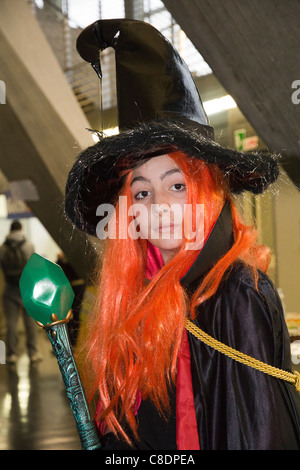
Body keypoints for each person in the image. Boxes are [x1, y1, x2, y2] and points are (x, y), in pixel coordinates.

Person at [64, 19, 300, 449]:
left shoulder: (236, 294)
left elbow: (259, 435)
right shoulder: (138, 293)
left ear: (206, 187)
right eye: (141, 191)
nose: (159, 208)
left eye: (177, 184)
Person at [0, 220, 41, 364]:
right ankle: (33, 353)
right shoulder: (28, 245)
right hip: (27, 289)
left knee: (11, 324)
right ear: (21, 229)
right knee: (30, 323)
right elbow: (34, 266)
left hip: (9, 290)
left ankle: (11, 355)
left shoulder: (2, 248)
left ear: (10, 230)